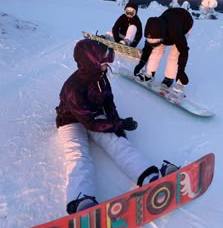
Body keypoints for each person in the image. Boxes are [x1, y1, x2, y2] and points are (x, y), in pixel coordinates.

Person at [56, 38, 179, 215]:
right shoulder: (73, 88)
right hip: (71, 121)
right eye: (103, 63)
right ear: (91, 63)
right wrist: (118, 123)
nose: (107, 67)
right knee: (78, 155)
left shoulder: (100, 78)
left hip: (94, 115)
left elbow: (108, 102)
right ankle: (81, 199)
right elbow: (90, 123)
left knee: (117, 142)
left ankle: (148, 176)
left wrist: (117, 125)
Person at [134, 8, 194, 92]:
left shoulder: (176, 33)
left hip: (185, 22)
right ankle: (149, 74)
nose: (153, 44)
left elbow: (184, 51)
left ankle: (169, 78)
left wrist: (181, 71)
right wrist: (141, 63)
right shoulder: (153, 28)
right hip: (169, 18)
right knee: (156, 50)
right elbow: (148, 48)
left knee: (174, 54)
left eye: (155, 42)